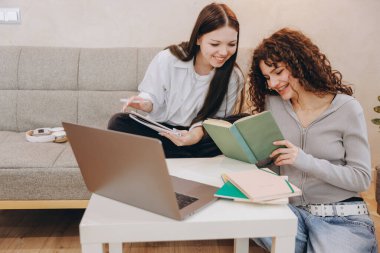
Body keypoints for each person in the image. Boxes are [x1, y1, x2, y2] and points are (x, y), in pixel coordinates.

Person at [248, 28, 378, 253]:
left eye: (278, 72)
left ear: (299, 63)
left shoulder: (347, 108)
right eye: (268, 77)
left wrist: (304, 160)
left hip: (339, 218)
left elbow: (361, 179)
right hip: (289, 212)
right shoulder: (274, 105)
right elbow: (270, 162)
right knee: (245, 221)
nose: (273, 84)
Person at [108, 3, 244, 158]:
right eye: (215, 44)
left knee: (241, 122)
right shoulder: (168, 59)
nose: (224, 52)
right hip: (162, 132)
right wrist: (146, 104)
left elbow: (217, 122)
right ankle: (180, 155)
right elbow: (151, 96)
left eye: (232, 44)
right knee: (118, 122)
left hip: (198, 138)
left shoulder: (234, 77)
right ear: (199, 38)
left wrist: (195, 135)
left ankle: (168, 154)